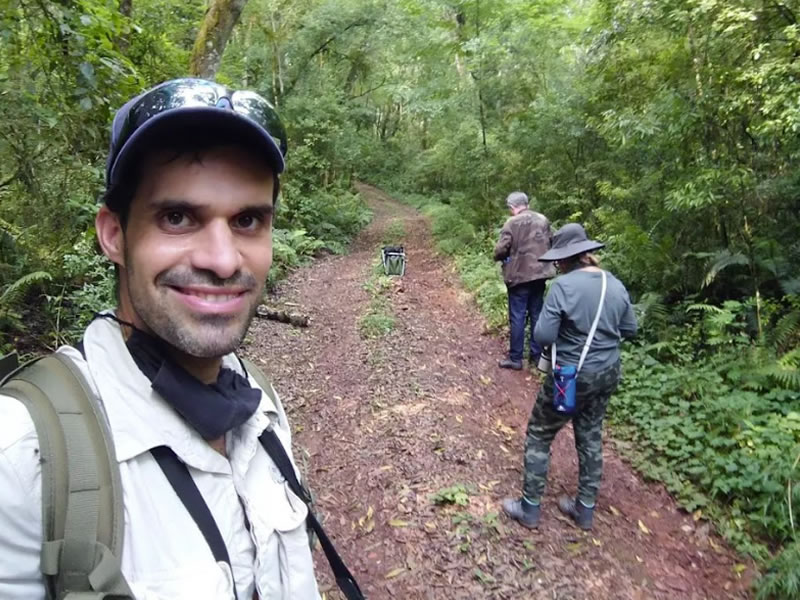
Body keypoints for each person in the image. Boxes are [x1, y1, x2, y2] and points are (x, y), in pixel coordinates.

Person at [0, 79, 321, 599]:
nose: (222, 259)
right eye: (177, 217)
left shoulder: (258, 403)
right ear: (114, 235)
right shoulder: (23, 457)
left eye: (247, 220)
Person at [502, 223, 637, 530]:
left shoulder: (564, 287)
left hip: (571, 376)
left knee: (540, 432)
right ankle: (584, 510)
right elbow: (630, 329)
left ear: (565, 259)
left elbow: (543, 333)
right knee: (590, 435)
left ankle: (530, 509)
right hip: (608, 373)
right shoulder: (613, 283)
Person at [493, 192, 555, 370]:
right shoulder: (543, 219)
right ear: (526, 204)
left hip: (518, 276)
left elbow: (501, 250)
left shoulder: (511, 223)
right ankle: (536, 357)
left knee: (518, 316)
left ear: (512, 207)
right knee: (536, 314)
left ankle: (515, 358)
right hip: (540, 275)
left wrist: (499, 257)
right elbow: (552, 241)